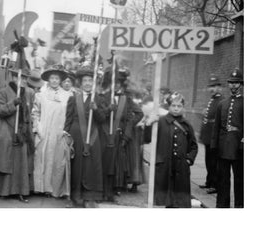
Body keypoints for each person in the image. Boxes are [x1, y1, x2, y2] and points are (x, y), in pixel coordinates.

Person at [0, 67, 34, 202]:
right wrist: (13, 103)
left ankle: (18, 190)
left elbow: (27, 114)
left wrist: (28, 130)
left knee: (20, 162)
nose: (23, 81)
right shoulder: (3, 92)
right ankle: (1, 190)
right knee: (5, 161)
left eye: (25, 78)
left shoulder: (27, 93)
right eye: (21, 78)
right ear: (14, 78)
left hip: (21, 133)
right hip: (6, 131)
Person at [64, 65, 108, 208]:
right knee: (76, 166)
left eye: (90, 80)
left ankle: (90, 198)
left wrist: (96, 110)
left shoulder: (98, 99)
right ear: (80, 83)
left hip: (93, 136)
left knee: (91, 166)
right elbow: (68, 119)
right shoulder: (73, 98)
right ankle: (75, 197)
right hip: (76, 136)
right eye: (85, 81)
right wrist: (66, 135)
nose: (88, 83)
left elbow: (102, 120)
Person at [145, 92, 198, 207]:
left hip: (181, 167)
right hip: (165, 166)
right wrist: (149, 124)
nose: (176, 109)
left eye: (179, 106)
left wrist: (188, 160)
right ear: (169, 106)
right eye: (173, 105)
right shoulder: (160, 122)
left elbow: (193, 146)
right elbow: (147, 138)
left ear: (183, 108)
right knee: (165, 200)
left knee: (179, 201)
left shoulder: (186, 125)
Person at [100, 67, 143, 201]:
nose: (117, 85)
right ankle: (105, 187)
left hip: (121, 133)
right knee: (107, 161)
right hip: (106, 133)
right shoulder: (104, 98)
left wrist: (128, 127)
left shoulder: (126, 99)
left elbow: (139, 113)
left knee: (119, 162)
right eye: (114, 82)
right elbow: (100, 116)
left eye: (119, 83)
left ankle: (117, 187)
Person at [31, 65, 71, 197]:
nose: (54, 81)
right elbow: (35, 113)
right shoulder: (40, 95)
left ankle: (54, 189)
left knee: (57, 160)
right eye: (52, 78)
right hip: (45, 131)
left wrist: (66, 131)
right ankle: (40, 187)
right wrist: (37, 127)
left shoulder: (67, 95)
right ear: (48, 79)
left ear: (60, 80)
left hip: (59, 131)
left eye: (57, 78)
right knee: (42, 158)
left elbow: (70, 114)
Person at [211, 69, 244, 208]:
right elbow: (216, 127)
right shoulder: (222, 104)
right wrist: (214, 145)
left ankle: (240, 205)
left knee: (239, 179)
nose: (233, 86)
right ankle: (222, 205)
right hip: (223, 146)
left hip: (238, 147)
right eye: (231, 83)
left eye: (236, 83)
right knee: (223, 178)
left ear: (241, 85)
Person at [199, 75, 224, 194]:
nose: (212, 89)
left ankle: (215, 185)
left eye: (215, 86)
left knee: (214, 162)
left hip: (215, 138)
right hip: (208, 137)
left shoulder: (221, 100)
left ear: (220, 87)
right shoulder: (213, 100)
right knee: (208, 161)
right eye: (211, 86)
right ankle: (209, 181)